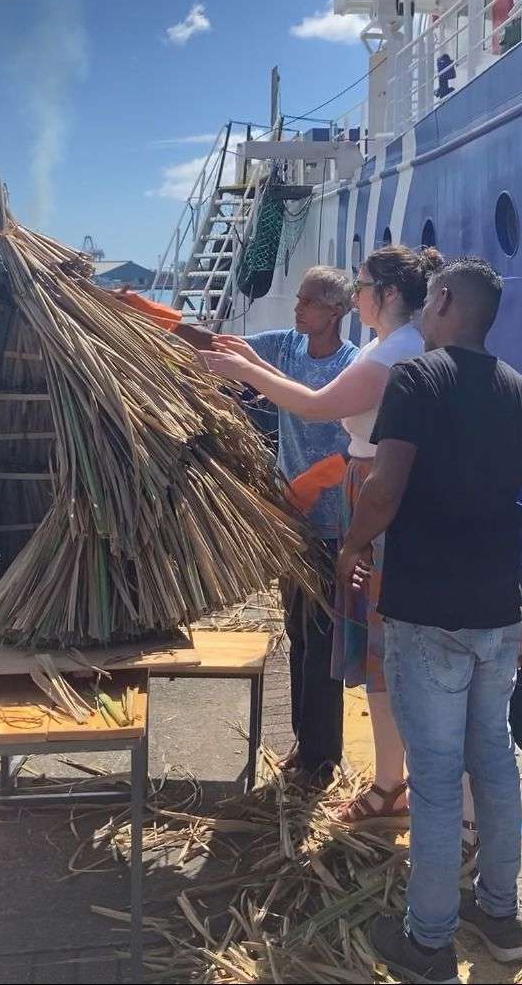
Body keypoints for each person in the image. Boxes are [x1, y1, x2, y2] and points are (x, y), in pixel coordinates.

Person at [337, 257, 522, 983]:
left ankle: (428, 943)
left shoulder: (416, 378)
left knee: (436, 780)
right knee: (493, 763)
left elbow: (384, 485)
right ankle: (500, 917)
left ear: (439, 302)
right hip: (499, 615)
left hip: (427, 613)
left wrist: (352, 544)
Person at [208, 245, 443, 822]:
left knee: (383, 656)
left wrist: (245, 374)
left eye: (362, 286)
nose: (359, 293)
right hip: (360, 513)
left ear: (380, 296)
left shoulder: (387, 356)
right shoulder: (386, 349)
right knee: (356, 649)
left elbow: (317, 409)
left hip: (366, 515)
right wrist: (248, 363)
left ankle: (393, 783)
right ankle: (385, 778)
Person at [207, 266, 357, 785]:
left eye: (309, 302)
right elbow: (227, 348)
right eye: (298, 300)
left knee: (322, 640)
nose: (298, 309)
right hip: (293, 525)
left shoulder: (350, 366)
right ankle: (304, 742)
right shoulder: (288, 347)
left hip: (334, 528)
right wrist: (147, 315)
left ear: (335, 311)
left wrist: (310, 486)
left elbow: (353, 453)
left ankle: (322, 756)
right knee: (296, 633)